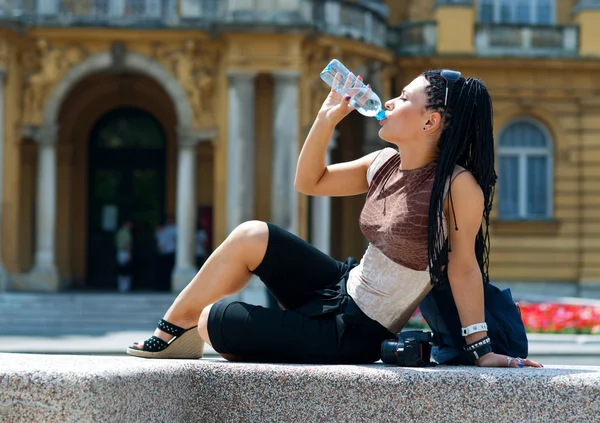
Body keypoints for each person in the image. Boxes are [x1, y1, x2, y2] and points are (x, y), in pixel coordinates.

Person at [127, 69, 541, 368]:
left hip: (357, 331)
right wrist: (326, 119)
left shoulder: (457, 186)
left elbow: (463, 266)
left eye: (402, 99)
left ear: (430, 121)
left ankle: (224, 331)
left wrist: (481, 349)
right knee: (252, 234)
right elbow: (310, 181)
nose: (389, 102)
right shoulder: (385, 162)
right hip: (339, 285)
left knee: (214, 322)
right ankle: (171, 332)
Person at [155, 216, 177, 291]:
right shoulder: (164, 230)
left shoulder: (173, 229)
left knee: (167, 271)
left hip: (169, 253)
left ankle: (166, 287)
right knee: (163, 271)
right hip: (164, 253)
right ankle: (163, 286)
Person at [115, 219, 133, 293]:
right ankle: (125, 288)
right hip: (124, 252)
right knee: (126, 270)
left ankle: (121, 287)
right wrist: (129, 254)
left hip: (119, 252)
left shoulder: (119, 232)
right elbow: (127, 244)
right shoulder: (126, 232)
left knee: (121, 270)